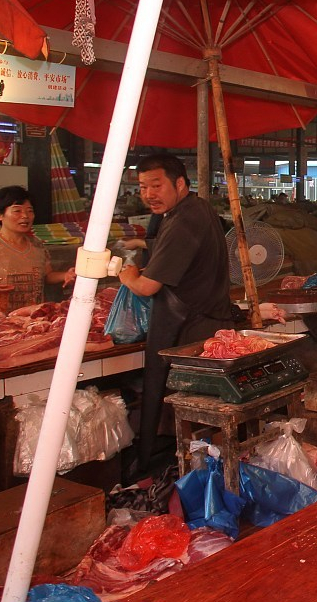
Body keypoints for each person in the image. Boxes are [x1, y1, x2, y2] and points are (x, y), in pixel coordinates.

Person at [118, 154, 231, 475]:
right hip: (202, 325)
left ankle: (193, 478)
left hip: (193, 332)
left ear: (180, 183)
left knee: (196, 414)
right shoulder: (193, 209)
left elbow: (148, 286)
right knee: (195, 415)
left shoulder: (185, 219)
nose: (149, 193)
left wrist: (126, 275)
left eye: (157, 185)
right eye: (142, 187)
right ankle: (195, 473)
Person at [0, 186, 75, 312]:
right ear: (0, 215)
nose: (25, 216)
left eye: (30, 211)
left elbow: (47, 275)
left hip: (31, 320)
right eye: (17, 211)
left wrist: (66, 275)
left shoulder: (37, 245)